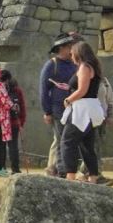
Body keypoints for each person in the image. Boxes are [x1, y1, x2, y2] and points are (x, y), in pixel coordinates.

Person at [56, 41, 113, 183]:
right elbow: (84, 88)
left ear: (78, 53)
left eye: (72, 53)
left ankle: (70, 176)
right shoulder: (91, 67)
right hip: (91, 108)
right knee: (86, 145)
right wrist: (69, 88)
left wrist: (68, 100)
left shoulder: (84, 67)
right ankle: (93, 177)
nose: (71, 56)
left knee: (67, 141)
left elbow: (82, 90)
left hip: (82, 109)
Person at [39, 35, 78, 173]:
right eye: (69, 47)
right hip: (58, 109)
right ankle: (62, 170)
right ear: (61, 48)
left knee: (70, 140)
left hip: (75, 108)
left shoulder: (75, 64)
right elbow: (43, 90)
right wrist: (47, 111)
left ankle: (64, 168)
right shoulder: (51, 65)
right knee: (63, 139)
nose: (71, 50)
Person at [1, 69, 26, 175]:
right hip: (14, 122)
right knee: (13, 146)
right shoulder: (17, 90)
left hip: (1, 122)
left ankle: (0, 168)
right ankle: (15, 168)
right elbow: (23, 107)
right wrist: (22, 122)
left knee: (0, 145)